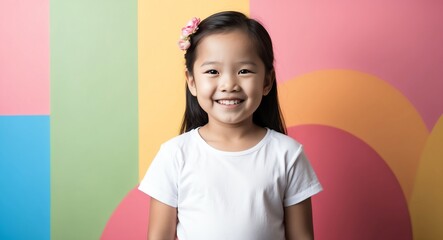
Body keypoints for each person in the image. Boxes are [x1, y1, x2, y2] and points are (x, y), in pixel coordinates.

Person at [138, 11, 322, 240]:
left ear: (266, 81)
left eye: (244, 71)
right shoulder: (175, 154)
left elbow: (302, 236)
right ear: (192, 81)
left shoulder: (288, 154)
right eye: (213, 71)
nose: (229, 84)